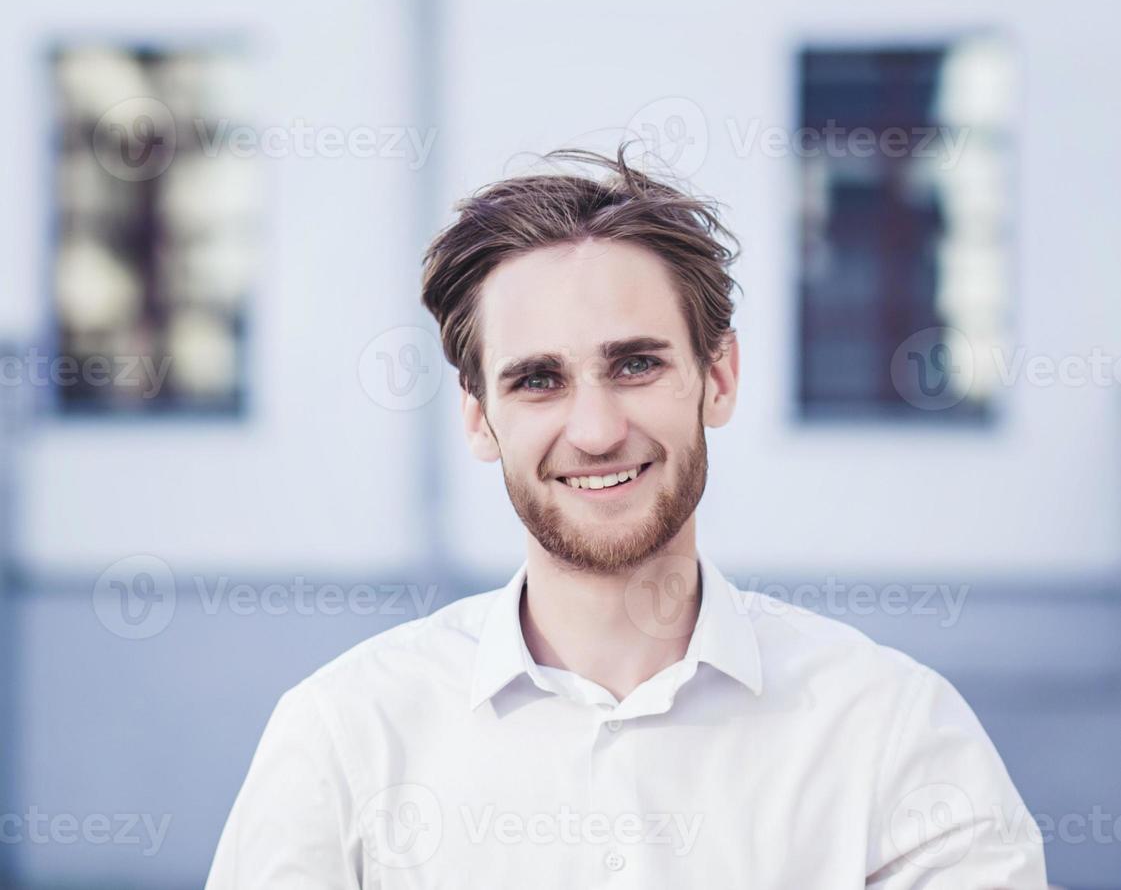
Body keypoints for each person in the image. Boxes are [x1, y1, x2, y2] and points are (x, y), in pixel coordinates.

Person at [204, 146, 1048, 888]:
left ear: (717, 379)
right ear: (476, 416)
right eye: (538, 379)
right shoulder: (344, 738)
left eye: (636, 364)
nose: (598, 430)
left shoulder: (890, 732)